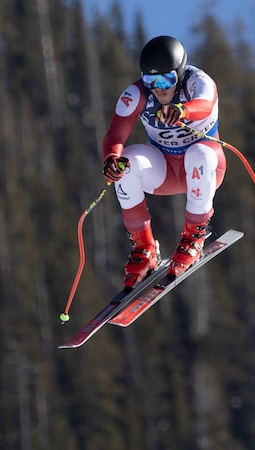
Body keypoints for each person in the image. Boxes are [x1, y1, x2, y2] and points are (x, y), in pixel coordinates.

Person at [102, 35, 226, 289]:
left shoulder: (197, 81)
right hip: (166, 170)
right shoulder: (137, 94)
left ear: (179, 74)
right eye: (151, 80)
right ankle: (144, 247)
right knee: (127, 163)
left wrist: (184, 110)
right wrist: (112, 158)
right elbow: (116, 132)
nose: (159, 88)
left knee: (197, 155)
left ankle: (193, 236)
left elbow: (205, 103)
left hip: (206, 165)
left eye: (166, 79)